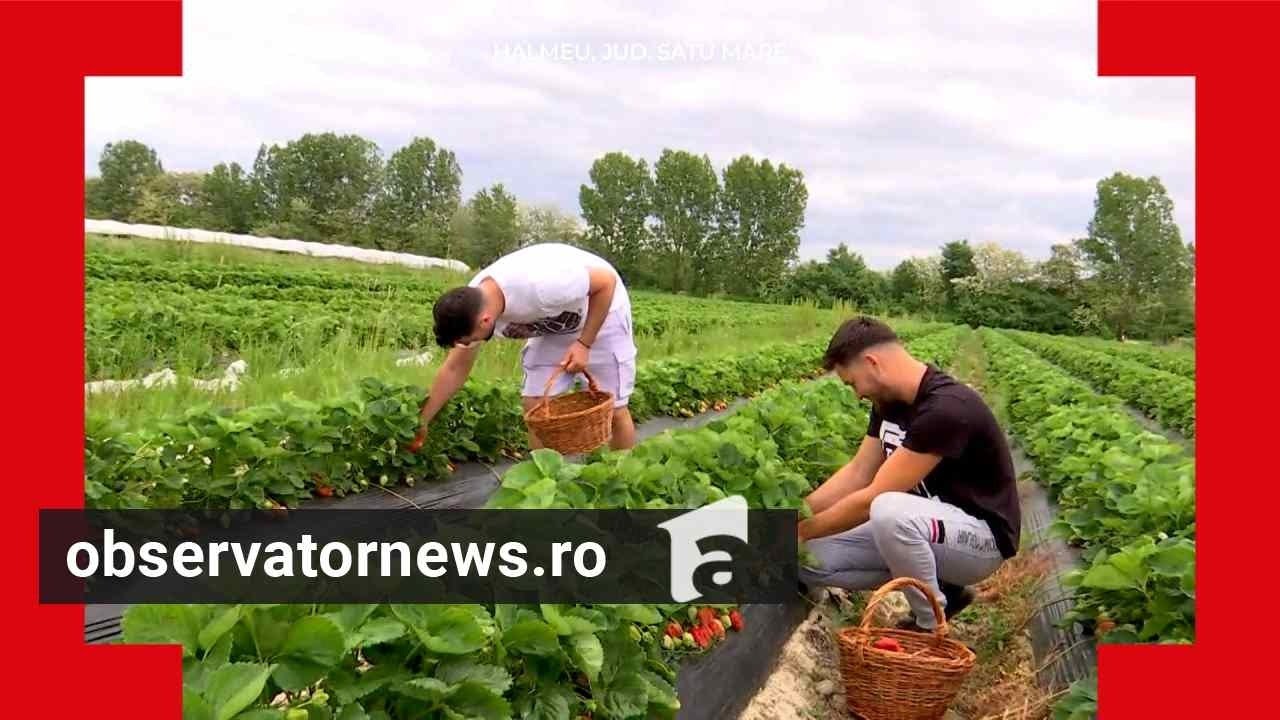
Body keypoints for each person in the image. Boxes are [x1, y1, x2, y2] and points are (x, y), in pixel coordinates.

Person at [798, 317, 1021, 631]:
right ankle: (941, 587)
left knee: (887, 510)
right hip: (923, 531)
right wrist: (794, 517)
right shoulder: (888, 403)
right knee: (802, 559)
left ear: (872, 362)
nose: (857, 394)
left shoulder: (946, 408)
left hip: (979, 541)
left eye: (852, 383)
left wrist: (801, 530)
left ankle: (929, 623)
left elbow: (870, 498)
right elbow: (858, 472)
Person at [408, 243, 638, 452]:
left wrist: (584, 344)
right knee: (535, 406)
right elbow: (454, 368)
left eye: (467, 340)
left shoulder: (540, 285)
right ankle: (543, 483)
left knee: (614, 410)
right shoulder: (469, 306)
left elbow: (606, 282)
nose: (467, 345)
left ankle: (621, 484)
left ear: (486, 321)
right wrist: (424, 420)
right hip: (554, 324)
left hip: (602, 311)